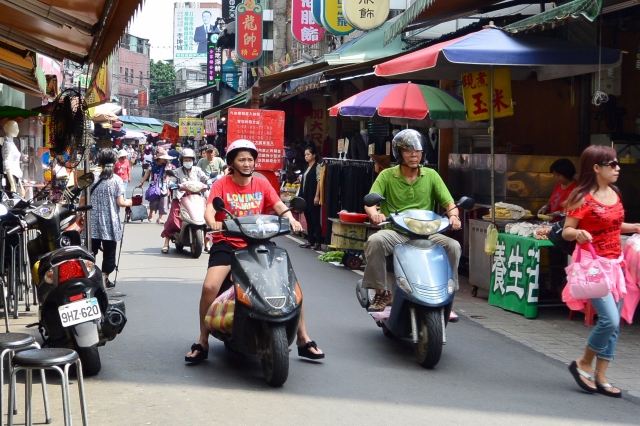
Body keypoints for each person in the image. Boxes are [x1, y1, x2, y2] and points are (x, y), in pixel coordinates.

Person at [185, 139, 324, 363]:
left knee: (291, 285)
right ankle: (202, 340)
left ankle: (302, 338)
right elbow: (210, 209)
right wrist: (212, 222)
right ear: (232, 162)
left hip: (258, 242)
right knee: (210, 286)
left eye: (250, 159)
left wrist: (291, 219)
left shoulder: (261, 184)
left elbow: (279, 205)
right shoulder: (221, 184)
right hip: (227, 242)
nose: (247, 163)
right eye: (242, 159)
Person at [563, 145, 640, 397]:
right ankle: (583, 362)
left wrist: (635, 227)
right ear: (596, 168)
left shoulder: (615, 193)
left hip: (615, 264)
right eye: (612, 164)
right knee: (610, 319)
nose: (618, 168)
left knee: (615, 325)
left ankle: (602, 375)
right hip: (591, 266)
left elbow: (615, 226)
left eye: (617, 163)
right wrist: (578, 232)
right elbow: (567, 231)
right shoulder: (581, 197)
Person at [362, 129, 462, 317]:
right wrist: (375, 214)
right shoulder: (387, 175)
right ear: (399, 153)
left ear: (423, 153)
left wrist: (454, 216)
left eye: (417, 151)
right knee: (375, 241)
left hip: (427, 232)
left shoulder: (431, 175)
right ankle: (381, 293)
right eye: (408, 150)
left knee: (453, 246)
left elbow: (449, 203)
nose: (413, 155)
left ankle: (447, 293)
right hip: (396, 231)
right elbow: (370, 203)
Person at [89, 149, 132, 289]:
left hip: (92, 222)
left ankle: (89, 277)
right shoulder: (117, 180)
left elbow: (83, 199)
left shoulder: (91, 178)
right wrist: (129, 202)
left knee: (90, 251)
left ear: (99, 162)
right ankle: (104, 278)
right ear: (114, 163)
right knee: (109, 252)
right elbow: (121, 202)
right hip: (110, 223)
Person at [160, 148, 208, 253]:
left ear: (193, 160)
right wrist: (171, 184)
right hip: (180, 197)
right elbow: (171, 181)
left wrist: (210, 181)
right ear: (182, 161)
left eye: (189, 160)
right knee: (173, 217)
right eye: (185, 160)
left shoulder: (198, 170)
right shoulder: (177, 171)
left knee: (206, 216)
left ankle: (207, 242)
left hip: (197, 196)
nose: (187, 162)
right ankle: (166, 242)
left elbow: (205, 179)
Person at [138, 147, 174, 224]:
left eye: (165, 158)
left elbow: (169, 174)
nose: (165, 160)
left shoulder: (167, 164)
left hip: (164, 185)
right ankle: (151, 211)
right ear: (159, 158)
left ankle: (160, 217)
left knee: (164, 201)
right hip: (154, 184)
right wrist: (142, 182)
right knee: (153, 200)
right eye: (163, 158)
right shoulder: (152, 164)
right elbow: (147, 173)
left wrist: (169, 186)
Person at [298, 144, 322, 250]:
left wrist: (317, 196)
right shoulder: (306, 167)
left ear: (314, 155)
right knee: (308, 219)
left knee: (315, 220)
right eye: (305, 155)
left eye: (308, 154)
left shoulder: (318, 166)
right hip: (305, 196)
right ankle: (310, 240)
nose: (306, 156)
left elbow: (319, 182)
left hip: (313, 196)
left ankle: (318, 242)